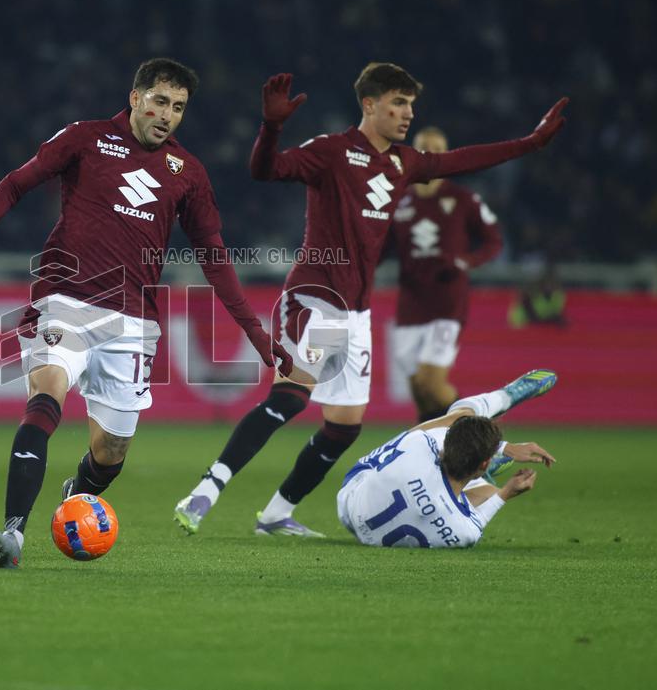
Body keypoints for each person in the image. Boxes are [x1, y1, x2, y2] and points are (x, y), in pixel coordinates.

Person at [175, 64, 567, 537]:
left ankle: (275, 515)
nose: (408, 113)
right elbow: (266, 170)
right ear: (369, 104)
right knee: (292, 396)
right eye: (398, 103)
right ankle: (206, 491)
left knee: (343, 426)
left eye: (411, 105)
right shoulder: (331, 151)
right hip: (315, 298)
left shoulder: (404, 162)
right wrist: (273, 126)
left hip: (356, 314)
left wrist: (530, 143)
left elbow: (465, 160)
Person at [0, 57, 292, 569]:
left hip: (132, 322)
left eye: (179, 108)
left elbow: (214, 257)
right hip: (64, 300)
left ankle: (74, 497)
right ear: (136, 97)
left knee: (112, 452)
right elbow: (16, 182)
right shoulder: (86, 138)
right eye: (161, 101)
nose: (167, 115)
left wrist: (257, 334)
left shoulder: (187, 173)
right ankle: (13, 535)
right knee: (45, 397)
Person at [336, 369, 557, 548]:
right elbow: (478, 518)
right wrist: (507, 492)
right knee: (491, 493)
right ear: (484, 462)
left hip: (349, 505)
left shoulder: (419, 445)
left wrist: (504, 449)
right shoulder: (463, 533)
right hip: (382, 527)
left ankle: (503, 397)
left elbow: (454, 430)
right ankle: (480, 472)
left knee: (458, 417)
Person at [389, 126, 504, 423]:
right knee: (419, 389)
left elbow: (493, 240)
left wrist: (467, 261)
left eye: (438, 149)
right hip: (410, 304)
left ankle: (482, 433)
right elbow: (379, 249)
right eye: (424, 148)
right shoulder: (395, 200)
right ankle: (436, 454)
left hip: (447, 303)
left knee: (431, 381)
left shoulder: (463, 199)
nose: (431, 154)